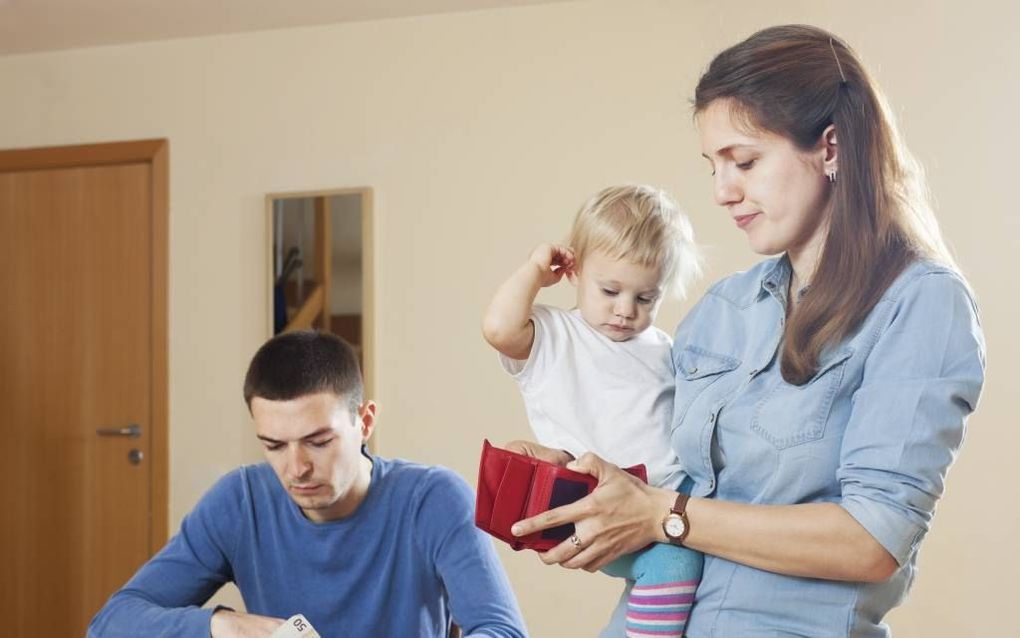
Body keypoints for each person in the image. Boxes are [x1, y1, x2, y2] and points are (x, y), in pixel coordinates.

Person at [506, 24, 986, 637]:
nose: (722, 192)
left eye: (746, 161)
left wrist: (666, 517)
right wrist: (575, 471)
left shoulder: (920, 304)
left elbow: (873, 539)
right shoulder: (722, 309)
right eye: (713, 166)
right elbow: (659, 464)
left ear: (831, 147)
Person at [89, 331, 526, 638]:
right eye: (274, 445)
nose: (296, 468)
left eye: (318, 442)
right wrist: (227, 626)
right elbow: (112, 623)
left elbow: (502, 629)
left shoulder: (433, 500)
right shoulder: (240, 501)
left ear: (365, 421)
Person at [482, 184, 703, 637]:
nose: (625, 310)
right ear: (575, 271)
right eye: (610, 290)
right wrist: (533, 271)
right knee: (677, 560)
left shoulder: (662, 348)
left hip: (669, 495)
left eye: (646, 298)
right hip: (596, 505)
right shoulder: (553, 334)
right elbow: (499, 329)